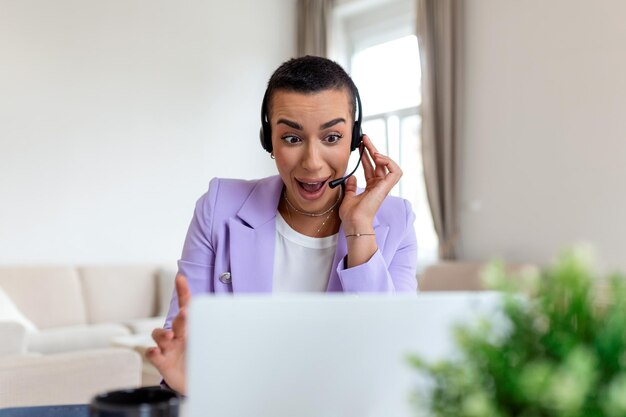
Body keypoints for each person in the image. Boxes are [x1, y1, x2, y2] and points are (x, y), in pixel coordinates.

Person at [146, 56, 418, 394]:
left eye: (332, 137)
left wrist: (359, 228)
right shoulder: (218, 206)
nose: (312, 162)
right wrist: (187, 380)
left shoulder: (397, 220)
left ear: (355, 139)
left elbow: (394, 358)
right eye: (292, 138)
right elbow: (185, 346)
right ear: (268, 139)